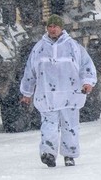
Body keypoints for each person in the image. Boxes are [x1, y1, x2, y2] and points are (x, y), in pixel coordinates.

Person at [19, 14, 97, 168]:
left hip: (70, 94)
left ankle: (69, 154)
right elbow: (30, 71)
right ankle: (48, 154)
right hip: (47, 95)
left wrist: (88, 82)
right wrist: (26, 93)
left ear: (61, 28)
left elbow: (86, 66)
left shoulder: (73, 47)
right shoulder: (39, 48)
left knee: (70, 125)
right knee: (49, 125)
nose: (52, 29)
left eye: (55, 26)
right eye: (50, 26)